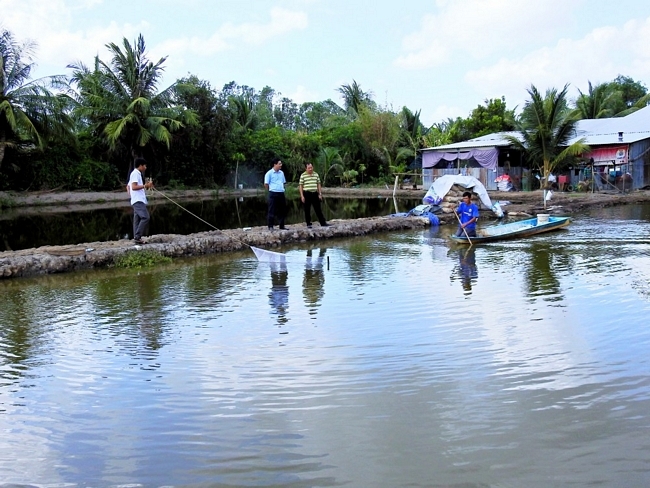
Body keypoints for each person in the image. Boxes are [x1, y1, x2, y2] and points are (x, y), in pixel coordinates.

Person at [128, 157, 154, 244]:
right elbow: (134, 187)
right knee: (145, 217)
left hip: (137, 199)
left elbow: (128, 186)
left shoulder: (136, 174)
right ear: (140, 165)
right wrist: (145, 186)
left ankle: (136, 238)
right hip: (138, 200)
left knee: (137, 219)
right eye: (145, 166)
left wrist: (131, 194)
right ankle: (138, 236)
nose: (145, 167)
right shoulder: (135, 173)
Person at [299, 163, 330, 228]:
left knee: (318, 209)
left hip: (314, 193)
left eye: (311, 167)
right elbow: (301, 186)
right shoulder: (303, 175)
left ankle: (323, 223)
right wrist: (302, 196)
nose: (310, 169)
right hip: (307, 193)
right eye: (309, 168)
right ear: (306, 168)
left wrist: (320, 194)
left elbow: (318, 184)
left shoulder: (316, 174)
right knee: (307, 209)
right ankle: (308, 223)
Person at [264, 157, 287, 230]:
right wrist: (271, 190)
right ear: (275, 164)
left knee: (282, 210)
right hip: (273, 193)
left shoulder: (281, 173)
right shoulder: (269, 173)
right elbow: (266, 184)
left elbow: (283, 182)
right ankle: (270, 226)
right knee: (272, 210)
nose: (281, 165)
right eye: (279, 164)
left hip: (281, 193)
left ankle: (282, 225)